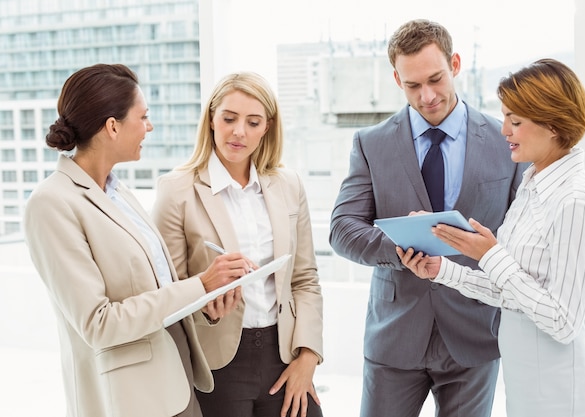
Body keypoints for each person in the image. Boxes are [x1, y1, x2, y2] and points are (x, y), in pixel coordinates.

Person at [23, 63, 247, 417]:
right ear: (112, 126)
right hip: (130, 399)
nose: (149, 126)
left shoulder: (119, 193)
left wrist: (204, 303)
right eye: (143, 117)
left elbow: (156, 290)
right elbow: (99, 324)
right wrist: (199, 284)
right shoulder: (51, 204)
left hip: (178, 378)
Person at [329, 19, 527, 417]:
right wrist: (402, 246)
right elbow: (342, 229)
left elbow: (520, 232)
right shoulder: (372, 144)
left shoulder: (506, 142)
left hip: (475, 332)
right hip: (395, 334)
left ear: (454, 64)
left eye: (435, 79)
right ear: (396, 78)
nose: (428, 95)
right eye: (412, 85)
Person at [399, 58, 585, 417]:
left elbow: (563, 321)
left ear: (553, 124)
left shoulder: (576, 200)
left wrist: (492, 255)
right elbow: (510, 294)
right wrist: (442, 270)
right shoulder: (531, 188)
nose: (504, 131)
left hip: (562, 392)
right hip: (526, 384)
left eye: (515, 121)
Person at [152, 71, 324, 417]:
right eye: (229, 118)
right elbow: (166, 291)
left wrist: (308, 356)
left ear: (267, 127)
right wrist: (205, 307)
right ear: (212, 119)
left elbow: (304, 279)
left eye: (253, 121)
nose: (238, 132)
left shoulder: (288, 184)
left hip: (285, 355)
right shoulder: (177, 190)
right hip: (218, 365)